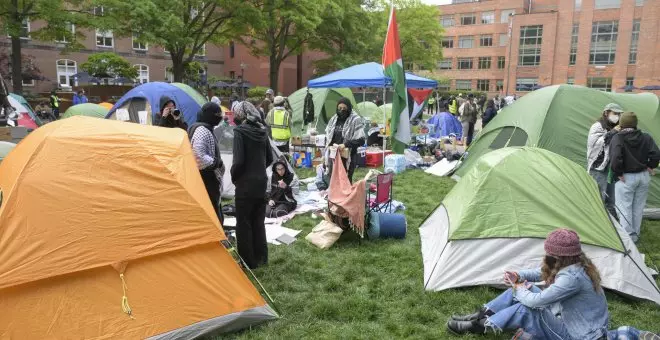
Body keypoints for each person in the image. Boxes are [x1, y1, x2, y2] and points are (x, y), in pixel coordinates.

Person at [448, 228, 609, 340]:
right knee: (519, 292)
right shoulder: (577, 263)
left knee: (527, 309)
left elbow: (535, 301)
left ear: (558, 255)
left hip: (580, 336)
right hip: (579, 325)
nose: (547, 254)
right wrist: (519, 276)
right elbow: (543, 272)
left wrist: (518, 287)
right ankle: (481, 315)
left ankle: (480, 326)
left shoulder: (572, 278)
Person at [231, 101, 273, 269]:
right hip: (261, 182)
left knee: (243, 223)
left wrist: (235, 176)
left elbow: (238, 161)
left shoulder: (240, 132)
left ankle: (248, 261)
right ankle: (261, 257)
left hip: (245, 183)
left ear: (240, 114)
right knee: (258, 221)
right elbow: (270, 158)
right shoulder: (262, 131)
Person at [610, 112, 660, 243]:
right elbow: (656, 154)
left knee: (624, 208)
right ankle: (635, 237)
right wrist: (650, 165)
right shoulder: (646, 137)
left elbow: (615, 158)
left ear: (621, 123)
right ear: (635, 123)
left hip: (626, 178)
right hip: (643, 176)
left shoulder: (617, 138)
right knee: (638, 208)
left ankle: (627, 240)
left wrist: (618, 173)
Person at [190, 102, 225, 225]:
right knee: (211, 211)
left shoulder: (204, 127)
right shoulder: (202, 130)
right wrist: (217, 163)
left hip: (207, 178)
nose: (219, 117)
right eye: (217, 114)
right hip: (206, 179)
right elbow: (198, 156)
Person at [587, 103, 623, 217]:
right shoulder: (597, 126)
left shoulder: (617, 126)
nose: (617, 116)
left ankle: (612, 224)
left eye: (619, 114)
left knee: (611, 198)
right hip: (598, 168)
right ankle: (596, 221)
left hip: (612, 168)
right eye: (615, 113)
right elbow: (594, 145)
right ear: (606, 113)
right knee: (598, 197)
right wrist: (613, 132)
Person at [324, 98, 366, 183]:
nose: (342, 110)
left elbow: (361, 140)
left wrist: (345, 144)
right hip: (333, 154)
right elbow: (328, 135)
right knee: (332, 178)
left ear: (349, 108)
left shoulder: (355, 119)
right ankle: (334, 194)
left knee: (345, 179)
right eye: (340, 108)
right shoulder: (334, 119)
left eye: (344, 108)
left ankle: (346, 195)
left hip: (347, 154)